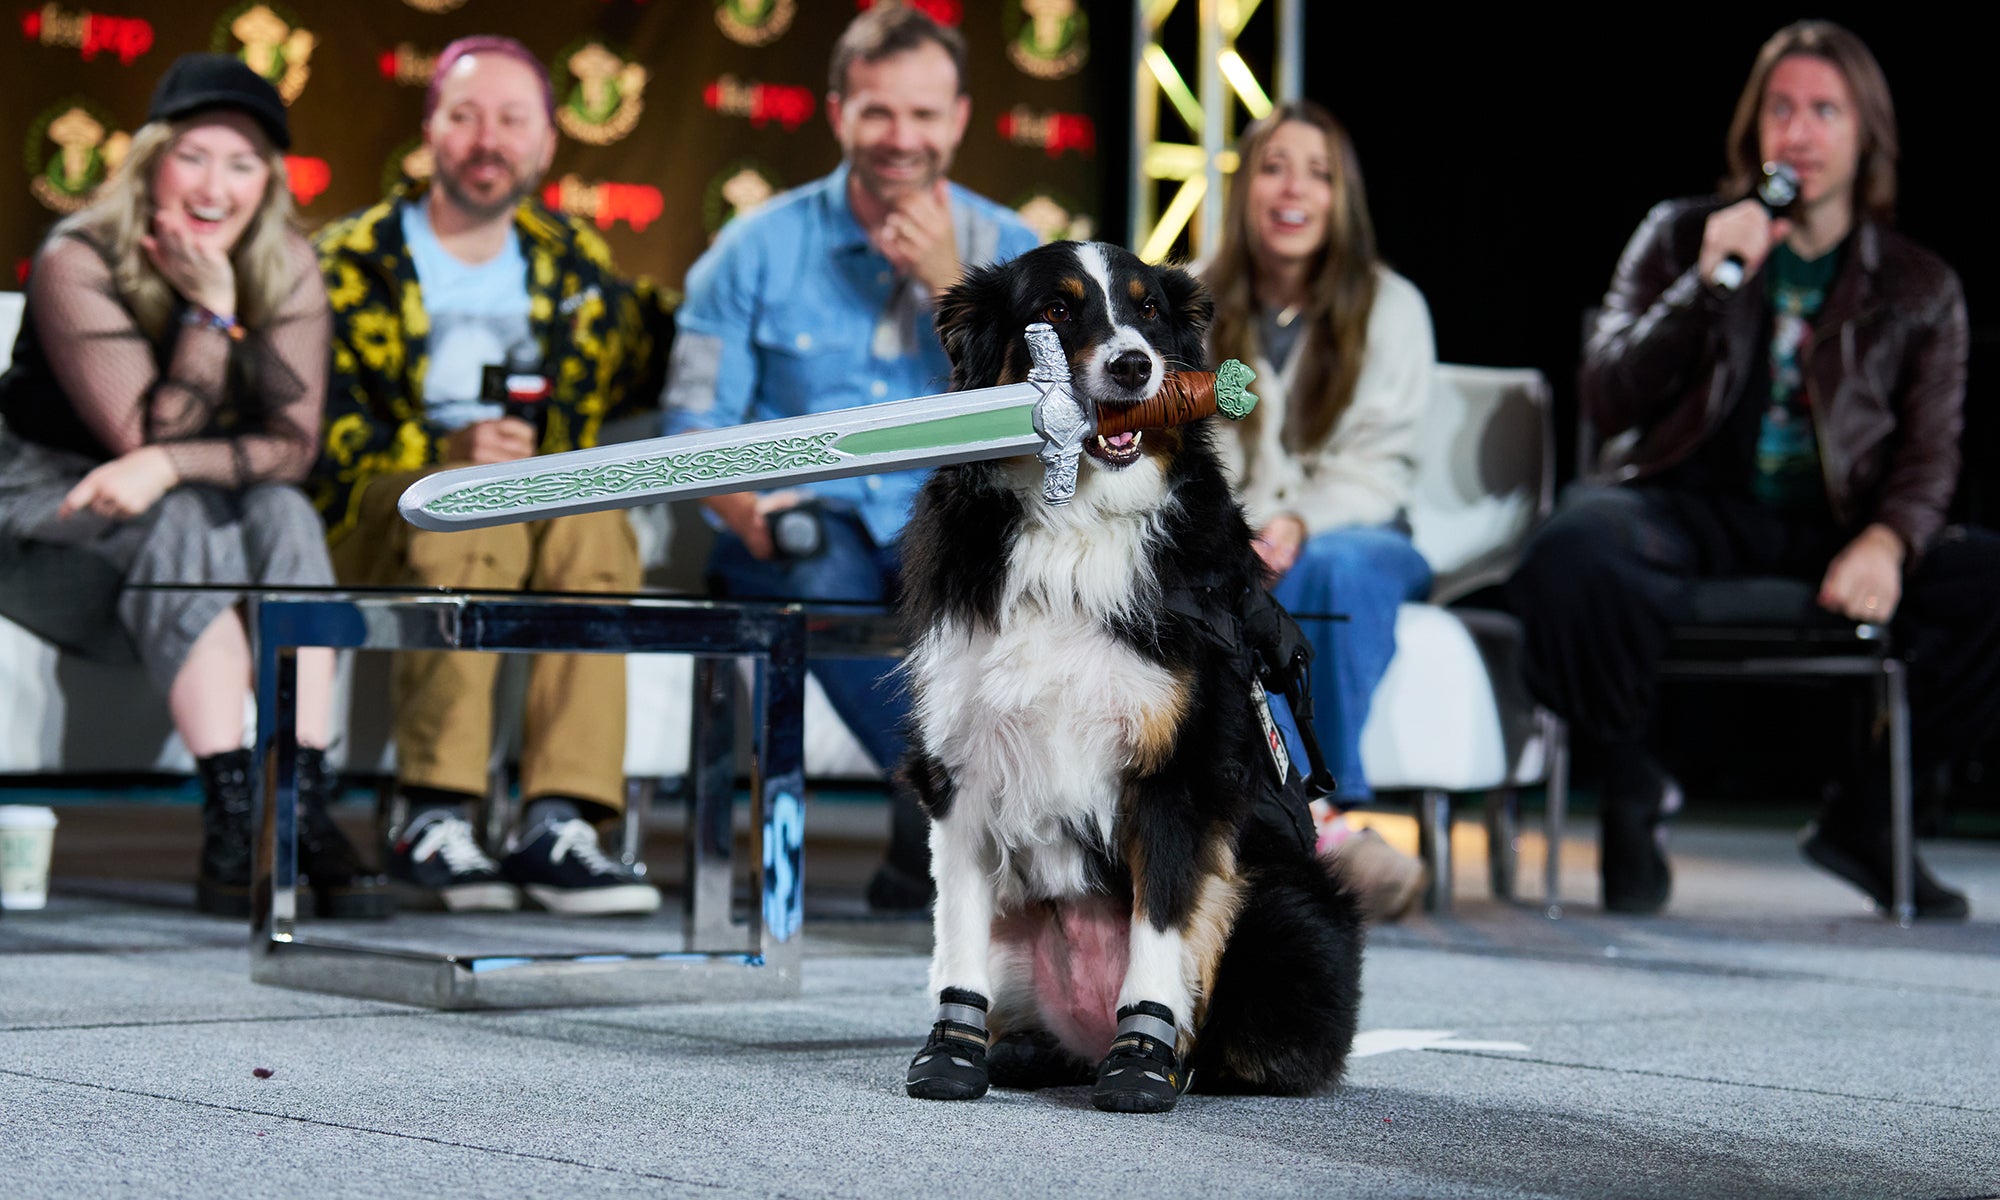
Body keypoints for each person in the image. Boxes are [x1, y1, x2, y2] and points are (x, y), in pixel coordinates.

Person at [1506, 20, 1999, 919]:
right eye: (1781, 109)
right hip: (1686, 505)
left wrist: (1889, 541)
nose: (1798, 133)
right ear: (1754, 128)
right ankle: (1630, 784)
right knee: (1571, 552)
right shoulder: (1678, 235)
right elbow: (1608, 396)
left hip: (1833, 529)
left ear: (1867, 134)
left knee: (1987, 582)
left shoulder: (1919, 286)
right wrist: (1706, 285)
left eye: (1824, 111)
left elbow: (1931, 454)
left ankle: (1869, 816)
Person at [663, 5, 1039, 912]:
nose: (901, 137)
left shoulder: (1015, 255)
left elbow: (1044, 421)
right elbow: (691, 421)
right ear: (838, 114)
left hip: (950, 527)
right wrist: (745, 506)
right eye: (878, 112)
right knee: (816, 553)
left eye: (923, 114)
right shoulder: (754, 248)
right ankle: (954, 812)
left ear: (959, 119)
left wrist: (953, 289)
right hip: (799, 532)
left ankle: (932, 840)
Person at [0, 54, 389, 919]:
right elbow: (147, 437)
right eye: (195, 157)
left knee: (284, 510)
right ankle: (235, 815)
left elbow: (291, 449)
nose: (216, 187)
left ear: (270, 180)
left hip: (192, 497)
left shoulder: (287, 261)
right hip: (52, 510)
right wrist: (211, 312)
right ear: (152, 161)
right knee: (185, 520)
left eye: (243, 163)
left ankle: (299, 803)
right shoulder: (78, 256)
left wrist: (169, 467)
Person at [311, 36, 672, 916]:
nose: (488, 139)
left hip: (537, 500)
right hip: (379, 506)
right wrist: (442, 453)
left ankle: (561, 823)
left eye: (512, 120)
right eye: (466, 116)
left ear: (547, 142)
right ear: (430, 130)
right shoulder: (350, 258)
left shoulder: (573, 260)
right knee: (476, 509)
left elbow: (665, 355)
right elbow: (316, 432)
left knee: (596, 522)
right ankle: (433, 815)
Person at [1199, 100, 1438, 922]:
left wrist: (1297, 522)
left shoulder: (1391, 305)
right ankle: (1285, 832)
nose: (1293, 190)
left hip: (1356, 530)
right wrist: (1241, 532)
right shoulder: (1196, 302)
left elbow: (1379, 465)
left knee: (1333, 569)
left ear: (1343, 199)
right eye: (1273, 168)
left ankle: (1315, 807)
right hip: (1238, 532)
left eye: (1318, 174)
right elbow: (1188, 449)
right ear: (1245, 190)